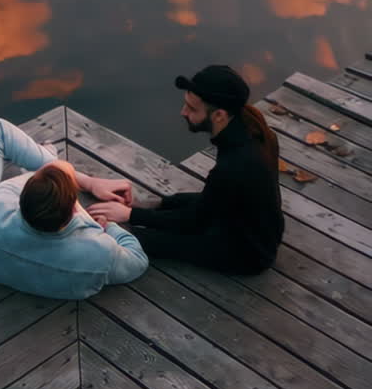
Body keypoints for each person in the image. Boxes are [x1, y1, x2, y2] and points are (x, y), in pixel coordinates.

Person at [88, 65, 284, 274]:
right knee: (174, 204)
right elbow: (213, 200)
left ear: (219, 115)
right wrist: (145, 205)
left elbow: (194, 221)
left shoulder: (236, 164)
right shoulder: (252, 128)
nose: (183, 112)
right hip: (252, 229)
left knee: (131, 237)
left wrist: (131, 216)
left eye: (192, 108)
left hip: (246, 254)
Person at [0, 117, 148, 299]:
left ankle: (47, 157)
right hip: (58, 278)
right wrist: (109, 226)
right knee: (54, 171)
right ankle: (51, 160)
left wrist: (61, 175)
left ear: (21, 200)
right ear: (75, 210)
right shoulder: (99, 254)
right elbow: (138, 261)